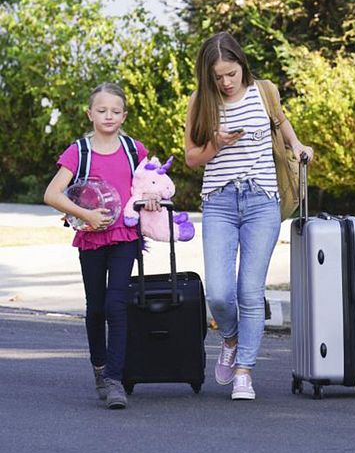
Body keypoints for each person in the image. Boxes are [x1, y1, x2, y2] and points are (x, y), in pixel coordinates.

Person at [184, 32, 313, 401]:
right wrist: (216, 145)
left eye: (231, 73)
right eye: (218, 77)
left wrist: (298, 144)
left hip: (262, 201)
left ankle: (245, 372)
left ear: (242, 65)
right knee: (221, 294)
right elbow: (192, 158)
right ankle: (231, 338)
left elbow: (281, 122)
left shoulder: (265, 91)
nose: (226, 82)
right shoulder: (200, 102)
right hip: (219, 202)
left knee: (250, 292)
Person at [43, 83, 161, 409]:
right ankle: (99, 367)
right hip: (91, 238)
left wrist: (152, 197)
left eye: (115, 111)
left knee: (116, 305)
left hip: (125, 237)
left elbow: (152, 184)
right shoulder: (78, 152)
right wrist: (86, 215)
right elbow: (52, 195)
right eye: (102, 110)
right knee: (96, 308)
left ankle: (114, 379)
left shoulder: (133, 149)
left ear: (124, 115)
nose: (109, 116)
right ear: (90, 113)